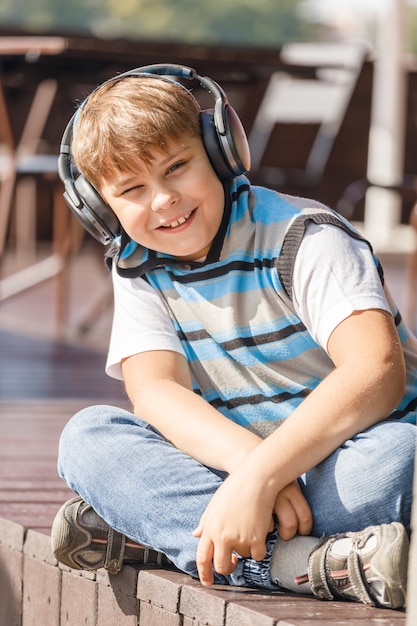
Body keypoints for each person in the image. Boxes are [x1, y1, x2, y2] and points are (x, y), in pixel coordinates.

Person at [52, 64, 417, 610]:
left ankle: (164, 535)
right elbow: (155, 392)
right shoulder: (138, 266)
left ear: (221, 154)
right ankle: (298, 564)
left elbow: (377, 375)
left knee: (406, 455)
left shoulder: (305, 238)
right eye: (132, 189)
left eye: (177, 168)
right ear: (100, 206)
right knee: (88, 437)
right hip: (235, 465)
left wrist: (261, 480)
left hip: (344, 455)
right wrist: (251, 472)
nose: (163, 200)